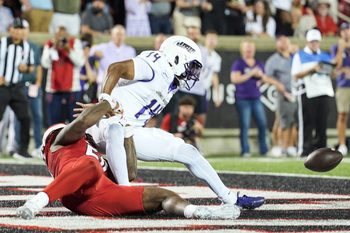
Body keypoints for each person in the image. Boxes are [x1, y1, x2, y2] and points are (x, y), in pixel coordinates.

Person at [78, 35, 265, 208]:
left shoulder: (172, 82)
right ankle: (124, 194)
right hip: (105, 124)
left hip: (131, 130)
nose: (193, 73)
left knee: (188, 152)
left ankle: (230, 199)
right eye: (191, 66)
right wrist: (106, 100)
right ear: (176, 58)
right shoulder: (157, 64)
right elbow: (115, 68)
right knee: (116, 128)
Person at [17, 100, 240, 220]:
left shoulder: (90, 152)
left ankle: (198, 212)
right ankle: (38, 201)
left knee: (162, 195)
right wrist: (107, 103)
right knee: (90, 165)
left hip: (98, 196)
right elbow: (83, 121)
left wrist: (125, 129)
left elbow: (129, 172)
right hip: (74, 191)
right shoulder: (61, 142)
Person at [231, 41, 283, 157]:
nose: (249, 50)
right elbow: (234, 79)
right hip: (242, 98)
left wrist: (261, 76)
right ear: (242, 50)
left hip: (256, 98)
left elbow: (265, 78)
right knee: (244, 125)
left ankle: (264, 150)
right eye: (247, 48)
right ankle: (245, 150)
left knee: (262, 124)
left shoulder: (258, 63)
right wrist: (251, 73)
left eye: (251, 48)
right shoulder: (238, 63)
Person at [291, 28, 334, 157]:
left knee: (322, 123)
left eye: (316, 41)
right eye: (312, 41)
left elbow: (331, 73)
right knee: (307, 123)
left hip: (323, 91)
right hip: (308, 92)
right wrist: (312, 69)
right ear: (308, 42)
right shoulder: (300, 55)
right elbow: (295, 75)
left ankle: (321, 150)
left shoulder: (325, 56)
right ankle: (304, 150)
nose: (314, 44)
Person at [0, 18, 34, 159]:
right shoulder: (2, 43)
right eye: (16, 28)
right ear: (11, 29)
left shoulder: (26, 47)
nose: (18, 31)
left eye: (21, 29)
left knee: (25, 118)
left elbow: (31, 67)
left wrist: (26, 68)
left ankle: (23, 149)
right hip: (2, 87)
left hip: (16, 88)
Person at [41, 26, 85, 125]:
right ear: (55, 36)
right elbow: (45, 63)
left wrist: (69, 50)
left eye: (63, 35)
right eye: (59, 35)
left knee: (74, 124)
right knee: (54, 124)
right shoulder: (50, 45)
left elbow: (80, 62)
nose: (61, 38)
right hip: (54, 91)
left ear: (67, 35)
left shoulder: (75, 43)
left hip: (72, 90)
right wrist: (54, 48)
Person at [265, 35, 298, 157]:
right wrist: (277, 84)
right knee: (281, 121)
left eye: (286, 41)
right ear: (277, 44)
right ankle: (279, 146)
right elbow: (266, 76)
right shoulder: (273, 60)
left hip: (296, 92)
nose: (284, 44)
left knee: (293, 121)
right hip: (283, 93)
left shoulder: (294, 57)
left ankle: (290, 146)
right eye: (281, 42)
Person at [331, 22, 350, 156]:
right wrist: (341, 49)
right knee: (342, 115)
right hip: (344, 85)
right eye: (343, 30)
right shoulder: (336, 47)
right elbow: (336, 67)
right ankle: (342, 144)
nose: (346, 32)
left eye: (348, 29)